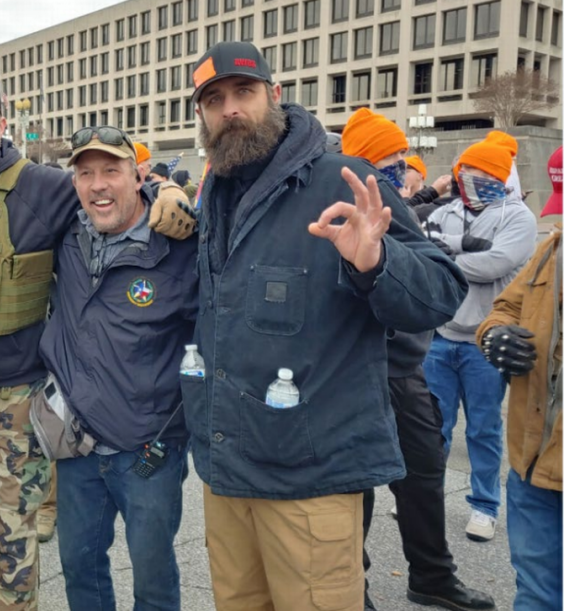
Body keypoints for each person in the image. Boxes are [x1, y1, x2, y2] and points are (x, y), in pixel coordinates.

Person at [184, 41, 467, 611]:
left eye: (245, 92)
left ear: (277, 96)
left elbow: (442, 291)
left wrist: (379, 263)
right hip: (226, 473)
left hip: (309, 482)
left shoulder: (343, 179)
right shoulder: (217, 189)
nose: (230, 109)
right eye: (214, 100)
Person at [0, 71, 195, 611]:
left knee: (14, 544)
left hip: (17, 402)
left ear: (1, 121)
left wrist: (166, 189)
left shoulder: (44, 185)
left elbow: (108, 190)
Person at [342, 108, 494, 611]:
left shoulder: (405, 207)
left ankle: (431, 576)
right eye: (391, 159)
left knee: (424, 477)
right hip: (360, 372)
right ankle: (354, 588)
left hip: (408, 369)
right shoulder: (342, 210)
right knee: (355, 490)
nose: (402, 167)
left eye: (403, 158)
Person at [40, 126, 197, 610]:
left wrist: (171, 191)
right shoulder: (65, 231)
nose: (98, 184)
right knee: (81, 568)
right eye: (86, 173)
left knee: (152, 575)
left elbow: (206, 342)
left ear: (138, 176)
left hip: (148, 448)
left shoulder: (181, 242)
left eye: (112, 170)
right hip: (77, 444)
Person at [424, 135, 538, 543]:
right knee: (431, 427)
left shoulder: (518, 217)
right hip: (439, 338)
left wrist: (445, 253)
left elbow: (496, 263)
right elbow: (422, 249)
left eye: (486, 173)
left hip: (484, 343)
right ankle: (423, 501)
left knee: (483, 430)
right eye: (469, 170)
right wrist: (460, 247)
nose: (475, 178)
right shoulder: (447, 210)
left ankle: (484, 506)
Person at [476, 145, 562, 611]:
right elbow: (505, 306)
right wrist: (495, 335)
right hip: (532, 464)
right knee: (534, 593)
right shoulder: (553, 249)